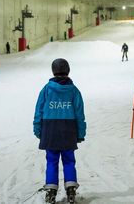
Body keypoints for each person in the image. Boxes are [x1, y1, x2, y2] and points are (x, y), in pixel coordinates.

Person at [33, 58, 86, 204]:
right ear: (68, 70)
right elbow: (80, 114)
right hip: (68, 131)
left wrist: (38, 130)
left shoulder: (46, 90)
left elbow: (39, 111)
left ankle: (51, 191)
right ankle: (70, 189)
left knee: (52, 161)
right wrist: (80, 133)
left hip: (50, 130)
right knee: (69, 161)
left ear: (53, 71)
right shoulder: (74, 91)